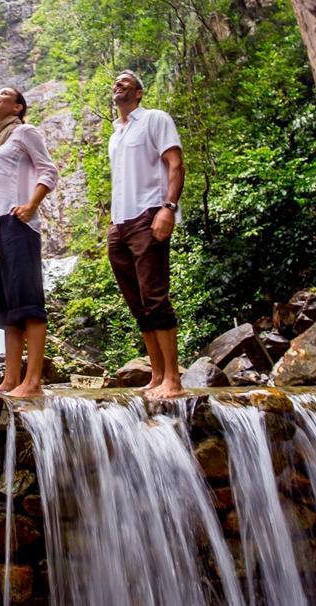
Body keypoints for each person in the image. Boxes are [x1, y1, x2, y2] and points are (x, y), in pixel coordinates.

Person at [107, 70, 186, 400]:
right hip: (120, 223)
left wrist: (168, 208)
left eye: (125, 82)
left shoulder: (155, 119)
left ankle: (173, 379)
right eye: (116, 82)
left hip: (149, 213)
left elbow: (175, 164)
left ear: (138, 93)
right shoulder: (116, 134)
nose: (118, 84)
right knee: (137, 302)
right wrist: (113, 224)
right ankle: (156, 374)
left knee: (154, 296)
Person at [0, 87, 59, 397]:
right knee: (9, 308)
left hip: (18, 223)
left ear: (18, 107)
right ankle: (11, 380)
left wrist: (31, 205)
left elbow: (48, 170)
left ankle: (33, 381)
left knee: (28, 303)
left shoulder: (25, 132)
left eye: (4, 94)